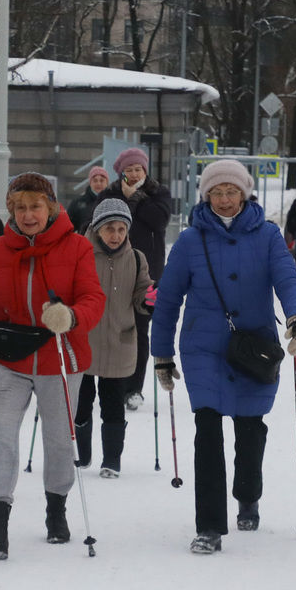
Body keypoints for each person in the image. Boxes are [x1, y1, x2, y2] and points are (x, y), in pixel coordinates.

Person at [151, 159, 296, 555]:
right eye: (217, 193)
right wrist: (161, 355)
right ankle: (208, 525)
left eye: (232, 192)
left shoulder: (269, 236)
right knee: (207, 429)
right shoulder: (190, 241)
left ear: (245, 193)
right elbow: (168, 299)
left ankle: (248, 494)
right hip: (203, 348)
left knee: (250, 428)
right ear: (206, 196)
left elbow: (288, 278)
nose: (224, 200)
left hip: (254, 348)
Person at [0, 172, 105, 560]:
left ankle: (56, 509)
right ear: (11, 210)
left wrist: (70, 316)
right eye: (20, 207)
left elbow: (93, 298)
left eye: (35, 206)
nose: (28, 214)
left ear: (50, 207)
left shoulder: (78, 247)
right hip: (7, 358)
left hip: (59, 357)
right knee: (1, 434)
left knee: (57, 439)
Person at [74, 198, 152, 476]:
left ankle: (111, 460)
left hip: (120, 341)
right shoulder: (79, 254)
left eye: (121, 229)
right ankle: (81, 456)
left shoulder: (136, 258)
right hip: (83, 341)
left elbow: (141, 293)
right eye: (109, 229)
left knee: (112, 405)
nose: (116, 235)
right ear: (97, 229)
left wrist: (150, 300)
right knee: (81, 404)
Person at [99, 146, 172, 411]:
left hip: (150, 274)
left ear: (145, 169)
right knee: (112, 326)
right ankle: (110, 380)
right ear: (120, 172)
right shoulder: (109, 194)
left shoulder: (157, 192)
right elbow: (96, 225)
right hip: (112, 271)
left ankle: (134, 388)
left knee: (140, 329)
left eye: (138, 168)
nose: (134, 173)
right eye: (128, 170)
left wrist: (138, 198)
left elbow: (160, 221)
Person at [66, 165, 110, 233]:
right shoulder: (77, 203)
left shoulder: (113, 202)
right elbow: (68, 228)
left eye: (101, 180)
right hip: (85, 242)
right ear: (90, 183)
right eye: (95, 180)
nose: (98, 183)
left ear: (107, 183)